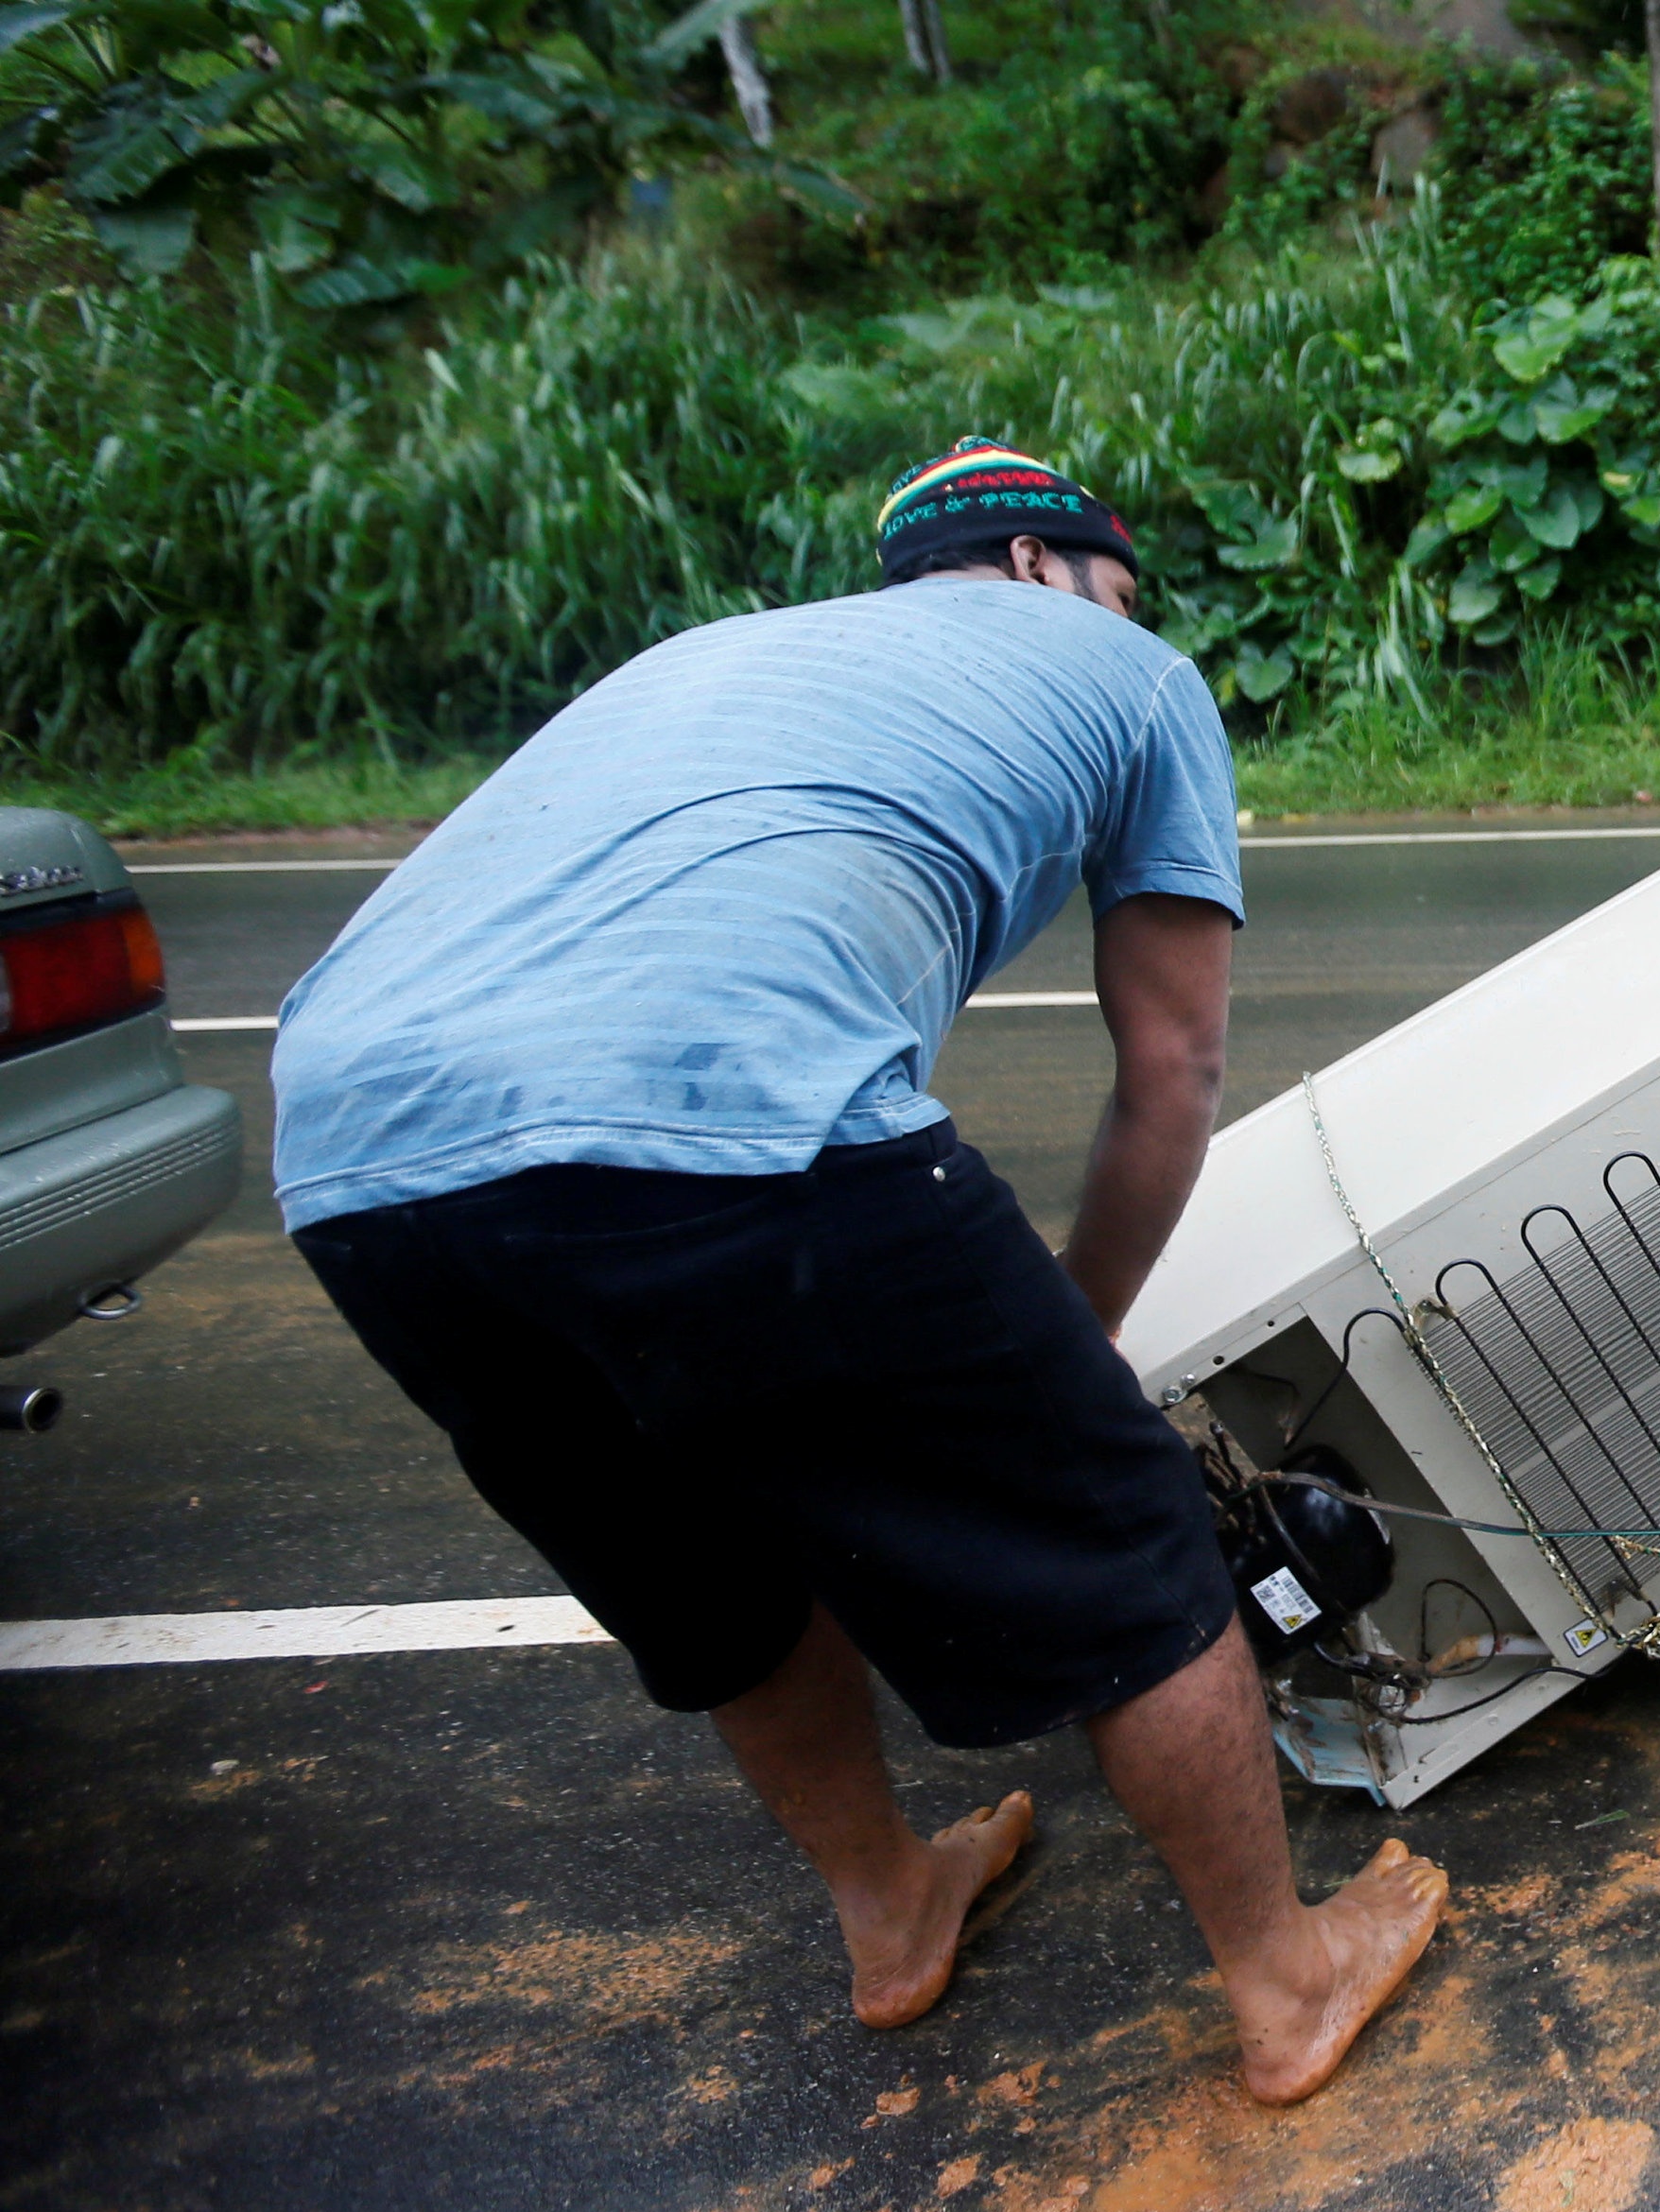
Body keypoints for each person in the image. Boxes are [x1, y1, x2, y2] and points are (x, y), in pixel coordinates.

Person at [269, 439, 1446, 2100]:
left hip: (354, 1153)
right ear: (1046, 565)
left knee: (703, 1567)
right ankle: (1288, 1971)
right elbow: (1174, 1068)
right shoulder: (1130, 666)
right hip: (724, 1089)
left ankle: (894, 1912)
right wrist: (1073, 1351)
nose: (1129, 613)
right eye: (1119, 582)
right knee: (1117, 1530)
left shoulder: (715, 655)